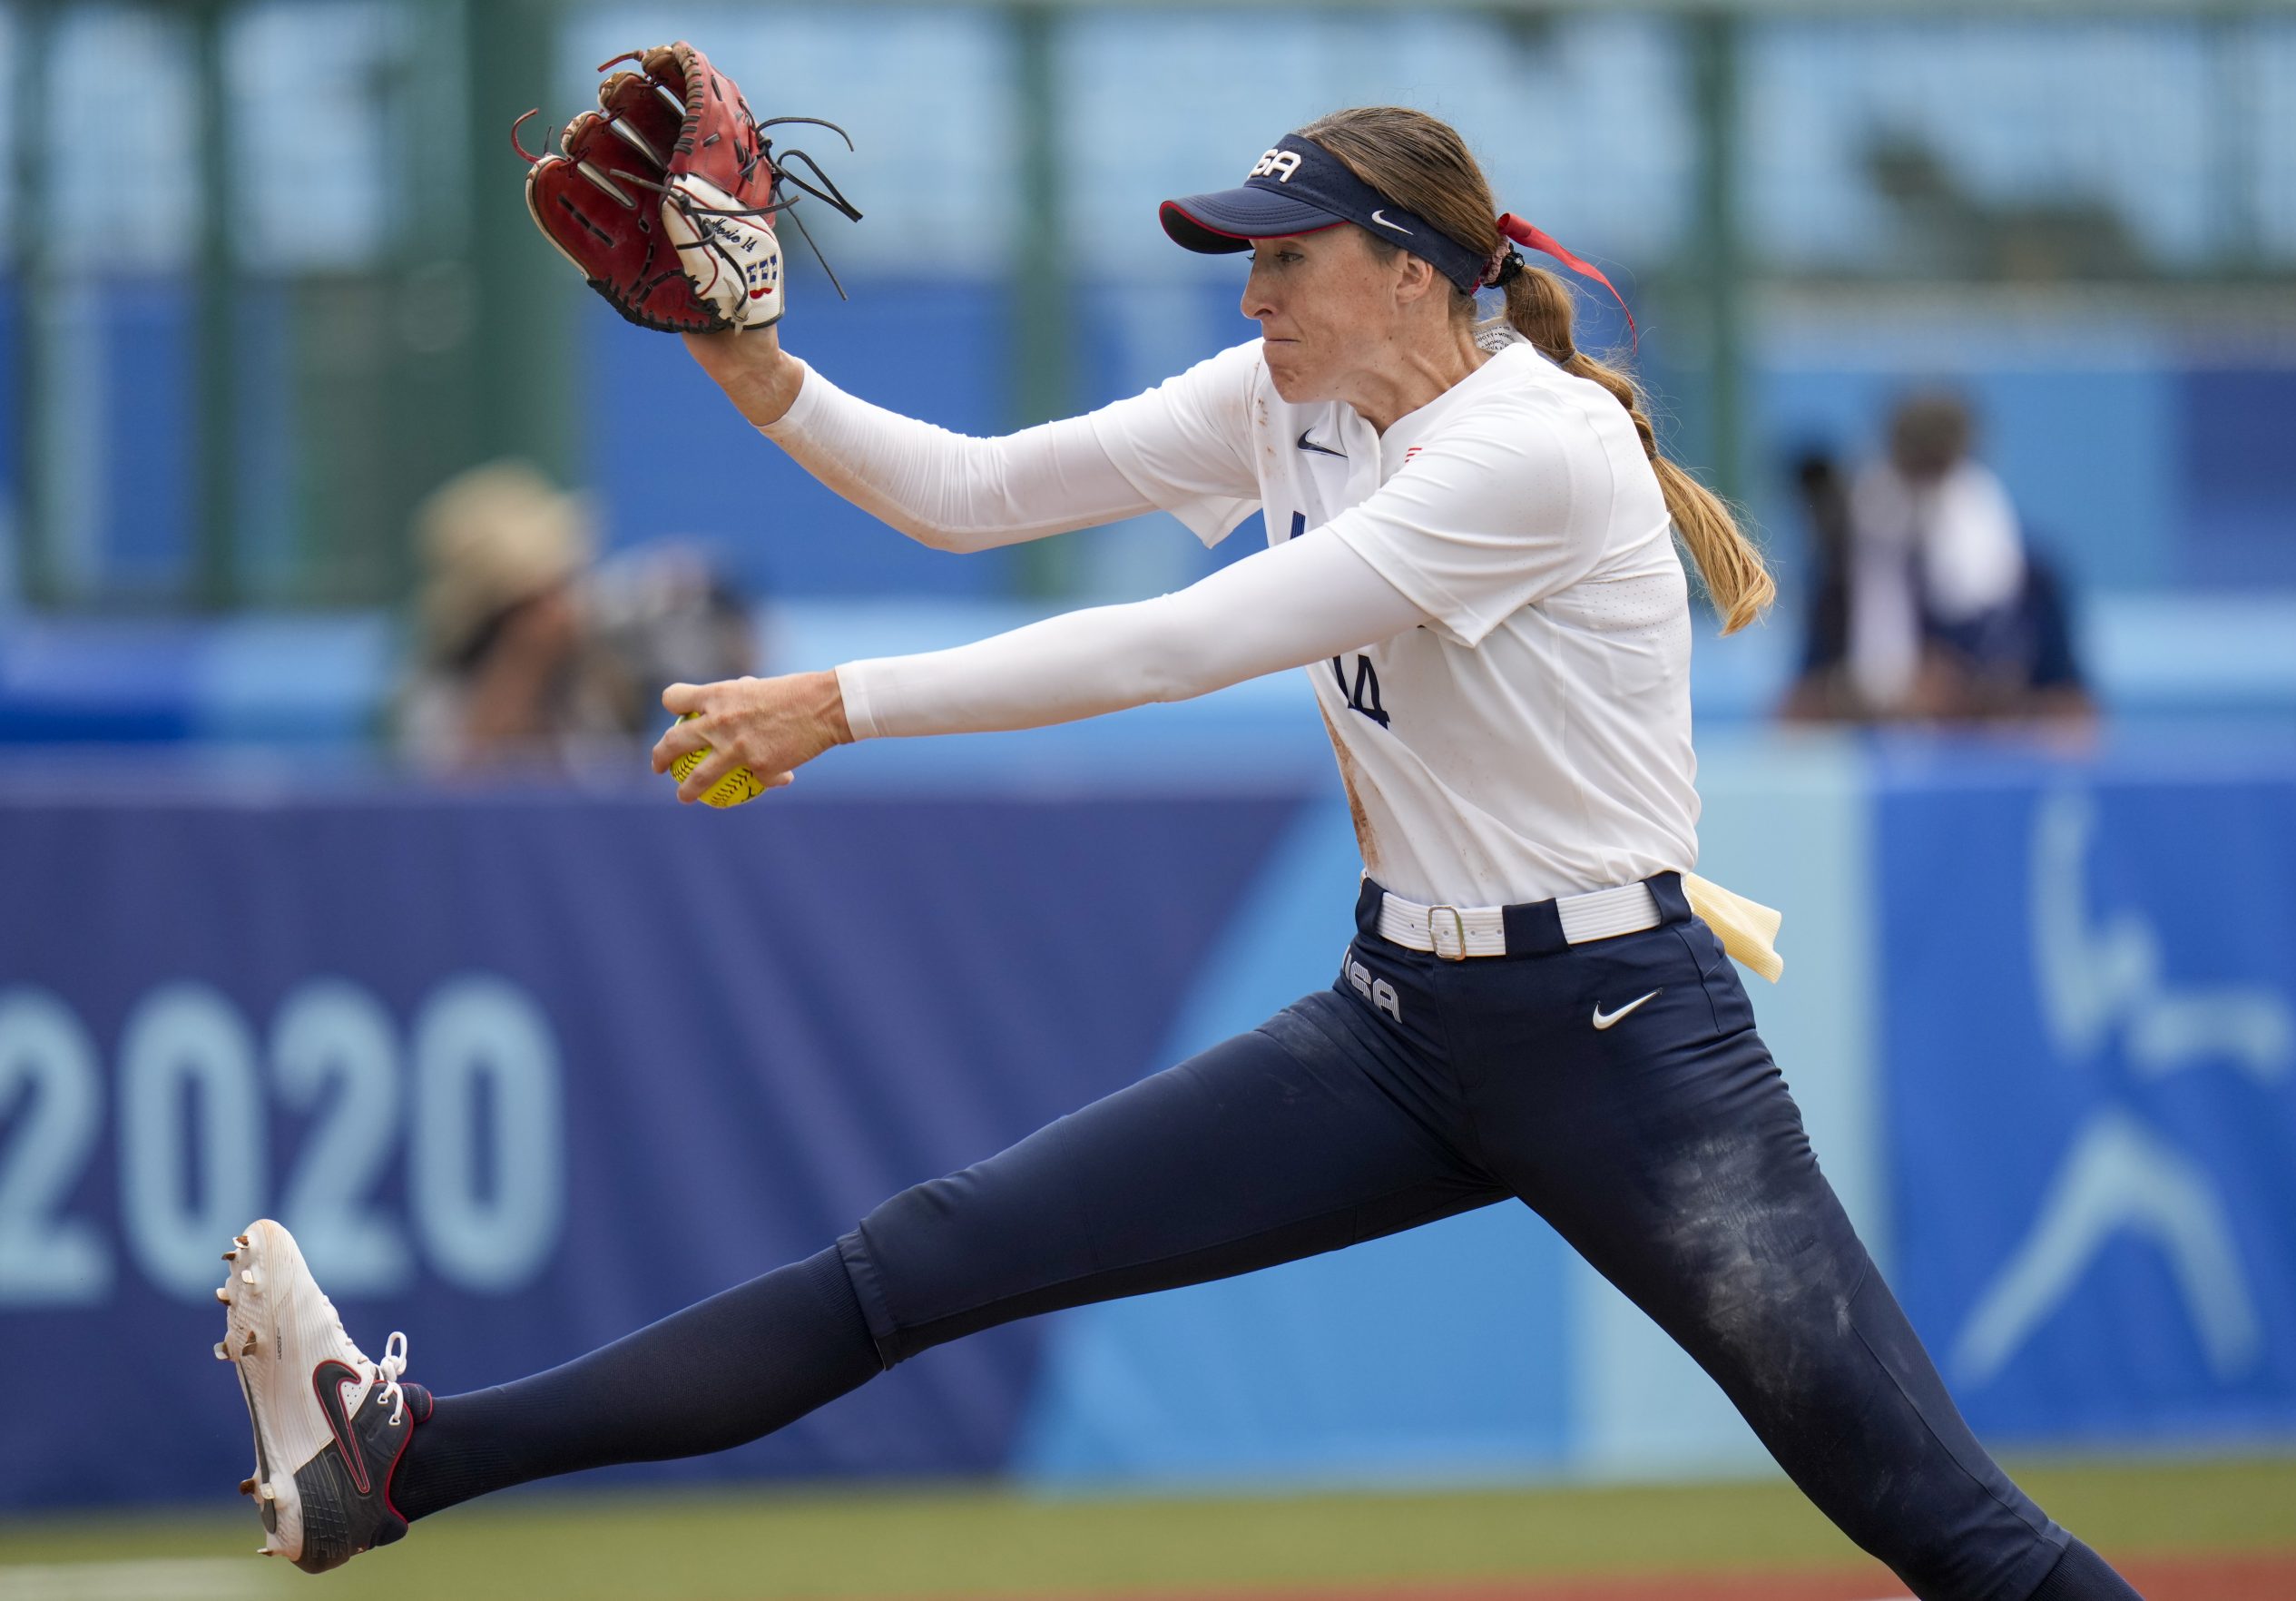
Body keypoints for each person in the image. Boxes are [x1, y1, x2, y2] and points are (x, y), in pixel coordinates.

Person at [217, 107, 2142, 1600]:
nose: (1250, 298)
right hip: (1404, 1021)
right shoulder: (1290, 400)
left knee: (1932, 1514)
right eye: (1244, 261)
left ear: (1410, 272)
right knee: (923, 1257)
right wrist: (754, 364)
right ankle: (397, 1461)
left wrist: (843, 704)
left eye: (1282, 259)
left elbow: (1178, 646)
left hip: (1620, 1039)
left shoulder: (1533, 446)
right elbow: (973, 493)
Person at [1780, 397, 2095, 727]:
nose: (1926, 490)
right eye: (1914, 468)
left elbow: (2076, 716)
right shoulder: (1843, 567)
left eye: (1939, 468)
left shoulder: (2029, 573)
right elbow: (1796, 714)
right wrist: (1869, 695)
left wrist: (1978, 701)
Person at [390, 461, 641, 772]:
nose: (561, 606)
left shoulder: (599, 655)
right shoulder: (437, 686)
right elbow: (453, 780)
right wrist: (523, 664)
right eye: (537, 597)